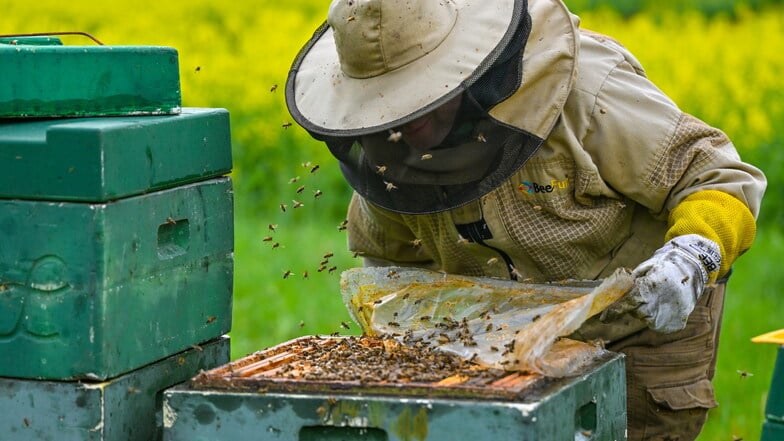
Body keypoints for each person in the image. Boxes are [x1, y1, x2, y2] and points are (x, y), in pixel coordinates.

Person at [284, 0, 767, 439]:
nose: (404, 125)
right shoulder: (386, 146)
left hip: (639, 327)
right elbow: (388, 254)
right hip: (496, 347)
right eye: (387, 107)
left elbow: (717, 175)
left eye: (416, 103)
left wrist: (691, 257)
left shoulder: (586, 88)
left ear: (464, 68)